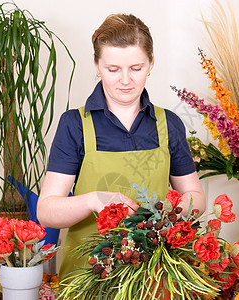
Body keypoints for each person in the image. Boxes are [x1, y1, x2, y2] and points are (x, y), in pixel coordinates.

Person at [37, 13, 206, 280]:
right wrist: (94, 200)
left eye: (136, 68)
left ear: (151, 63)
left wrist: (169, 213)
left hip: (154, 274)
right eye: (113, 69)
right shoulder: (75, 124)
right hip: (87, 277)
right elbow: (46, 212)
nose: (125, 80)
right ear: (97, 65)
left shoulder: (168, 123)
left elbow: (196, 195)